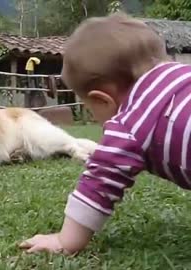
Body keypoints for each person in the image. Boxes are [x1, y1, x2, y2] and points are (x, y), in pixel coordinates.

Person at [19, 13, 191, 255]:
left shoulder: (130, 121)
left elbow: (99, 183)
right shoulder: (183, 74)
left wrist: (65, 240)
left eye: (90, 108)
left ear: (102, 100)